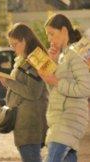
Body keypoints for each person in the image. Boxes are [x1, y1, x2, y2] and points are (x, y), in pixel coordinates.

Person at [40, 14, 90, 162]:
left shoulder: (75, 55)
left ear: (63, 30)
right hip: (60, 119)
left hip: (69, 120)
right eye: (47, 35)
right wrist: (52, 67)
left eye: (51, 34)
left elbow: (85, 88)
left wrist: (55, 81)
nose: (49, 39)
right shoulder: (64, 56)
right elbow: (55, 91)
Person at [0, 23, 48, 162]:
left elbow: (33, 93)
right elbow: (22, 88)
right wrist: (7, 81)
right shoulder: (24, 59)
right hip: (23, 121)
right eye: (10, 45)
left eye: (15, 44)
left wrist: (8, 82)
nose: (12, 48)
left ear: (24, 40)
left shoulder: (36, 59)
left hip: (30, 123)